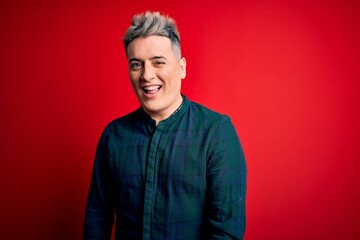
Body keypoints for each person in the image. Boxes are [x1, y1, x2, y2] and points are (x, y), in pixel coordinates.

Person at [83, 11, 247, 240]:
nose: (147, 75)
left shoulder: (217, 133)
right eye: (136, 64)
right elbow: (96, 219)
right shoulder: (113, 136)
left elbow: (225, 233)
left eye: (158, 62)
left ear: (181, 68)